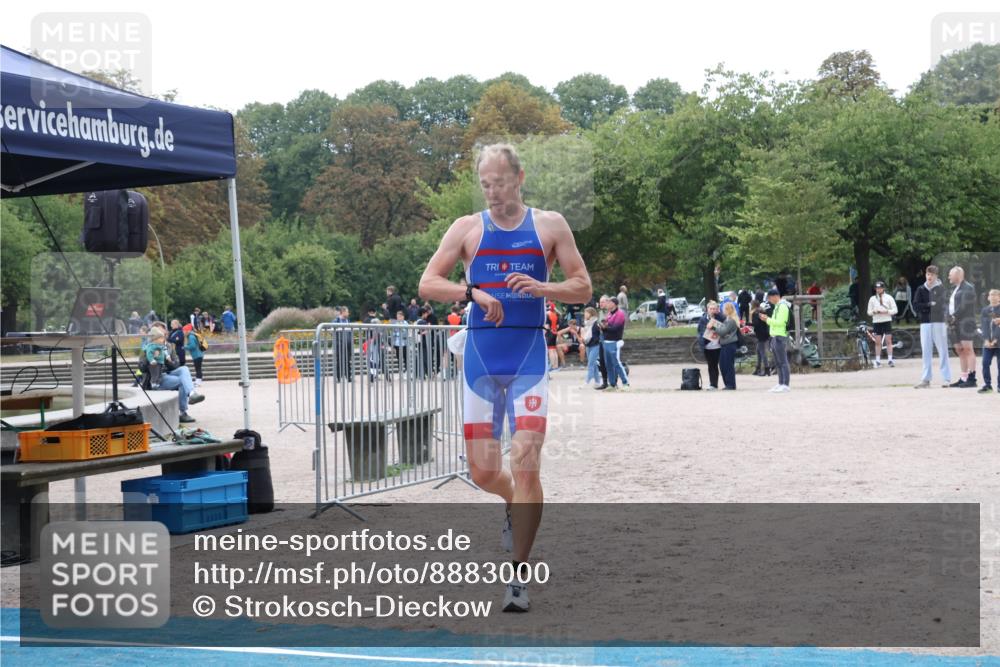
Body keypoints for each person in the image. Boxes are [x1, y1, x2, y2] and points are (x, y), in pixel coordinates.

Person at [418, 142, 591, 613]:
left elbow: (583, 285)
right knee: (483, 471)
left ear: (519, 177)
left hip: (528, 359)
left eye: (499, 182)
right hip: (480, 361)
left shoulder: (549, 225)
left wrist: (543, 287)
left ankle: (517, 577)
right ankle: (514, 505)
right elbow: (427, 282)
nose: (492, 192)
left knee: (527, 461)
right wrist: (470, 291)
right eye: (485, 184)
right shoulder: (468, 228)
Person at [148, 324, 204, 423]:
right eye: (158, 332)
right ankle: (183, 413)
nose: (162, 335)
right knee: (182, 382)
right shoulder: (148, 347)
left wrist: (167, 360)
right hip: (158, 377)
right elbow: (141, 366)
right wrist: (152, 359)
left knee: (184, 369)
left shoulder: (169, 346)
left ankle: (191, 394)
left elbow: (176, 364)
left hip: (169, 372)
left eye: (162, 331)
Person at [913, 265, 952, 388]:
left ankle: (946, 378)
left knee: (943, 350)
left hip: (939, 323)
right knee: (926, 351)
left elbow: (943, 305)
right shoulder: (920, 289)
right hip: (925, 323)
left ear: (936, 276)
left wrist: (928, 307)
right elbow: (915, 306)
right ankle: (926, 379)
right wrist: (929, 305)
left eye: (932, 275)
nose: (929, 277)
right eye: (928, 274)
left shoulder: (942, 289)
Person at [947, 266, 978, 388]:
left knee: (968, 350)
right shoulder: (955, 289)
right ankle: (964, 377)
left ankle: (972, 378)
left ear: (958, 275)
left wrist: (953, 316)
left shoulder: (968, 288)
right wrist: (948, 317)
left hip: (966, 323)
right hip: (955, 324)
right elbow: (950, 305)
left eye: (950, 274)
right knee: (960, 350)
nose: (948, 276)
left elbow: (964, 306)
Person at [758, 288, 791, 392]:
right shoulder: (777, 306)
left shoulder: (782, 307)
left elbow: (780, 322)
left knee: (783, 361)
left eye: (770, 298)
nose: (770, 301)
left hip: (780, 336)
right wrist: (767, 319)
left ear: (775, 296)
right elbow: (775, 321)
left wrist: (767, 319)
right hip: (774, 336)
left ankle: (785, 384)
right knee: (778, 362)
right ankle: (781, 383)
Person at [598, 296, 629, 390]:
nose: (607, 304)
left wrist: (605, 328)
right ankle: (612, 384)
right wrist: (604, 327)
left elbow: (615, 328)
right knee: (608, 364)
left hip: (615, 341)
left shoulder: (620, 314)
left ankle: (625, 383)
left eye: (609, 302)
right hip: (606, 341)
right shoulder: (609, 314)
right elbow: (607, 326)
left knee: (616, 363)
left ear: (614, 304)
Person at [867, 281, 898, 368]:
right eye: (877, 288)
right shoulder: (872, 299)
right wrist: (874, 311)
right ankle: (877, 360)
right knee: (878, 342)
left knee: (888, 341)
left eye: (880, 288)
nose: (878, 290)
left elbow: (895, 310)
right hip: (877, 322)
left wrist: (887, 311)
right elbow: (869, 312)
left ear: (883, 288)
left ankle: (890, 360)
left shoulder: (889, 298)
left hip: (886, 321)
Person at [697, 301, 724, 390]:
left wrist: (716, 327)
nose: (712, 310)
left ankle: (726, 384)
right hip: (708, 346)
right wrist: (707, 328)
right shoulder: (703, 319)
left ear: (717, 310)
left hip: (719, 346)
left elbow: (724, 329)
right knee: (711, 365)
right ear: (707, 310)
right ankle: (713, 384)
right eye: (711, 309)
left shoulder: (721, 317)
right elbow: (700, 332)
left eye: (714, 309)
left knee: (720, 365)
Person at [978, 289, 1000, 394]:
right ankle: (988, 386)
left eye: (996, 295)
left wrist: (995, 340)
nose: (993, 297)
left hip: (998, 343)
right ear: (988, 297)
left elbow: (998, 328)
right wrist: (986, 340)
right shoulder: (985, 310)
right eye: (991, 295)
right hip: (988, 343)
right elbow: (984, 326)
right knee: (985, 363)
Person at [716, 302, 741, 390]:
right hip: (725, 344)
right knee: (723, 365)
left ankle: (730, 384)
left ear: (728, 310)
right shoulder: (727, 319)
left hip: (729, 345)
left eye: (724, 308)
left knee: (728, 365)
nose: (722, 310)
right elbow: (723, 331)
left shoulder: (731, 320)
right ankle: (728, 383)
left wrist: (715, 327)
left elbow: (723, 332)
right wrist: (720, 330)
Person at [749, 300, 772, 376]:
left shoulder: (756, 313)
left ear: (753, 305)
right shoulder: (762, 311)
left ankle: (767, 369)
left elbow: (756, 324)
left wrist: (746, 324)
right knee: (758, 351)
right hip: (764, 332)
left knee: (762, 352)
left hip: (761, 334)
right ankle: (758, 368)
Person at [582, 307, 602, 386]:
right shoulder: (586, 323)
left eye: (586, 313)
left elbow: (601, 332)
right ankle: (597, 382)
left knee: (590, 364)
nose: (585, 314)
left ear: (591, 314)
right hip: (588, 345)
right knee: (593, 364)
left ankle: (587, 380)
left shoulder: (596, 323)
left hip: (595, 346)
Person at [390, 309, 409, 373]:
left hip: (404, 343)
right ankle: (400, 370)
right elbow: (393, 334)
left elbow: (407, 333)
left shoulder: (406, 323)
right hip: (397, 343)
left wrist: (401, 329)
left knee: (405, 357)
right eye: (397, 317)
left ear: (402, 317)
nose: (398, 318)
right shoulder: (395, 324)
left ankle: (406, 370)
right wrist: (392, 345)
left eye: (399, 316)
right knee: (398, 358)